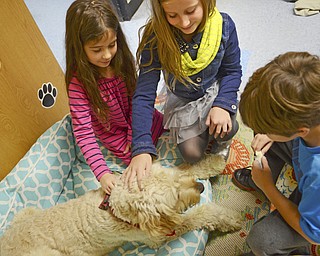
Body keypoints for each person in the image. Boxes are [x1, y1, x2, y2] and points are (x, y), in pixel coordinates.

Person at [123, 0, 242, 188]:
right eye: (172, 16)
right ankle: (207, 130)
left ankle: (221, 137)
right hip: (183, 99)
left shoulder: (224, 26)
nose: (185, 23)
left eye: (191, 10)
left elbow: (232, 71)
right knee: (192, 153)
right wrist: (141, 147)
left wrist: (223, 105)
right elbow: (144, 94)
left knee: (228, 128)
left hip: (214, 91)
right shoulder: (156, 37)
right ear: (161, 12)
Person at [65, 0, 164, 195]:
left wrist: (134, 137)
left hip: (133, 121)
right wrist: (103, 174)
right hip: (113, 133)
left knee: (159, 125)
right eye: (97, 50)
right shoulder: (78, 84)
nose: (107, 55)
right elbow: (84, 133)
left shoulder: (122, 60)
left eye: (112, 45)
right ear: (79, 46)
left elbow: (138, 101)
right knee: (135, 169)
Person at [232, 51, 320, 255]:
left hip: (313, 217)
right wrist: (270, 133)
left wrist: (270, 189)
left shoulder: (317, 175)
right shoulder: (311, 94)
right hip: (307, 165)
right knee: (262, 129)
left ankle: (296, 251)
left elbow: (313, 234)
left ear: (300, 130)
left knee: (262, 240)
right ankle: (261, 177)